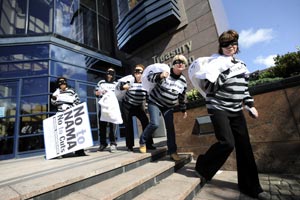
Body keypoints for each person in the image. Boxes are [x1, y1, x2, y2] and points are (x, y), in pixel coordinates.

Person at [193, 30, 270, 200]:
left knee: (245, 146)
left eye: (233, 44)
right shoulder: (214, 63)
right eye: (226, 44)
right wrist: (226, 71)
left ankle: (251, 187)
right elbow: (209, 88)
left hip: (236, 109)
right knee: (227, 143)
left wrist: (250, 105)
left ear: (237, 45)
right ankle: (203, 165)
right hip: (218, 106)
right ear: (221, 46)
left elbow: (244, 88)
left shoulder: (241, 64)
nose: (230, 47)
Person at [139, 55, 188, 161]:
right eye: (177, 62)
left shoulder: (183, 81)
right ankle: (142, 140)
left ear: (184, 66)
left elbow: (182, 97)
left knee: (170, 128)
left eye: (182, 62)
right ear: (173, 64)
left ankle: (172, 152)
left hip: (168, 106)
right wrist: (160, 76)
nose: (180, 64)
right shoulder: (165, 72)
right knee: (154, 123)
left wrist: (183, 109)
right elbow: (149, 77)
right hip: (155, 102)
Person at [117, 64, 155, 151]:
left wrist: (147, 109)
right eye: (136, 71)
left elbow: (148, 97)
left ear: (143, 73)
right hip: (127, 105)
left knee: (145, 121)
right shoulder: (130, 80)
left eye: (140, 72)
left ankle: (148, 144)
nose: (137, 74)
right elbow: (118, 86)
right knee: (128, 124)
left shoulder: (146, 83)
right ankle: (129, 146)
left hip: (138, 106)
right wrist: (123, 87)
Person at [51, 76, 86, 157]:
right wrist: (54, 98)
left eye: (63, 82)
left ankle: (79, 151)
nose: (62, 84)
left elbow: (77, 101)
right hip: (61, 114)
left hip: (71, 113)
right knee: (61, 133)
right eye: (60, 82)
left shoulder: (71, 91)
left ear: (66, 83)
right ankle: (61, 152)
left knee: (75, 132)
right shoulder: (56, 92)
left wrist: (70, 108)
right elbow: (53, 103)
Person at [95, 68, 118, 152]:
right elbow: (96, 92)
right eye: (108, 73)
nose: (109, 75)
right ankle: (103, 143)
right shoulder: (101, 82)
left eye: (111, 73)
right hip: (103, 107)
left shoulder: (116, 83)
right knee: (102, 126)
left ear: (114, 74)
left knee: (112, 126)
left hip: (112, 107)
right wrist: (98, 93)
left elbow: (118, 94)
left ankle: (113, 144)